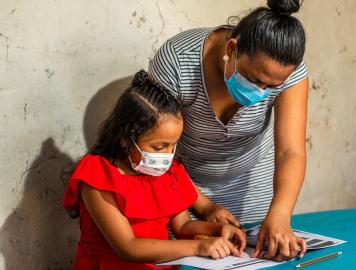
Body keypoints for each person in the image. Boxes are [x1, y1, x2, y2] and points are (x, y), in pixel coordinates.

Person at [149, 0, 308, 261]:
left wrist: (279, 214)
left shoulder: (289, 72)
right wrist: (202, 205)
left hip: (253, 198)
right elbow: (156, 148)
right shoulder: (178, 61)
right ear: (232, 48)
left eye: (272, 87)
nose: (261, 92)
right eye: (255, 79)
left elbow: (290, 152)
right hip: (182, 197)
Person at [62, 70, 246, 270]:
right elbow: (127, 247)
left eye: (173, 145)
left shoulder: (167, 173)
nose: (167, 155)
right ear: (126, 139)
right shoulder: (98, 175)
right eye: (159, 147)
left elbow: (183, 227)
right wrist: (200, 246)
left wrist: (219, 230)